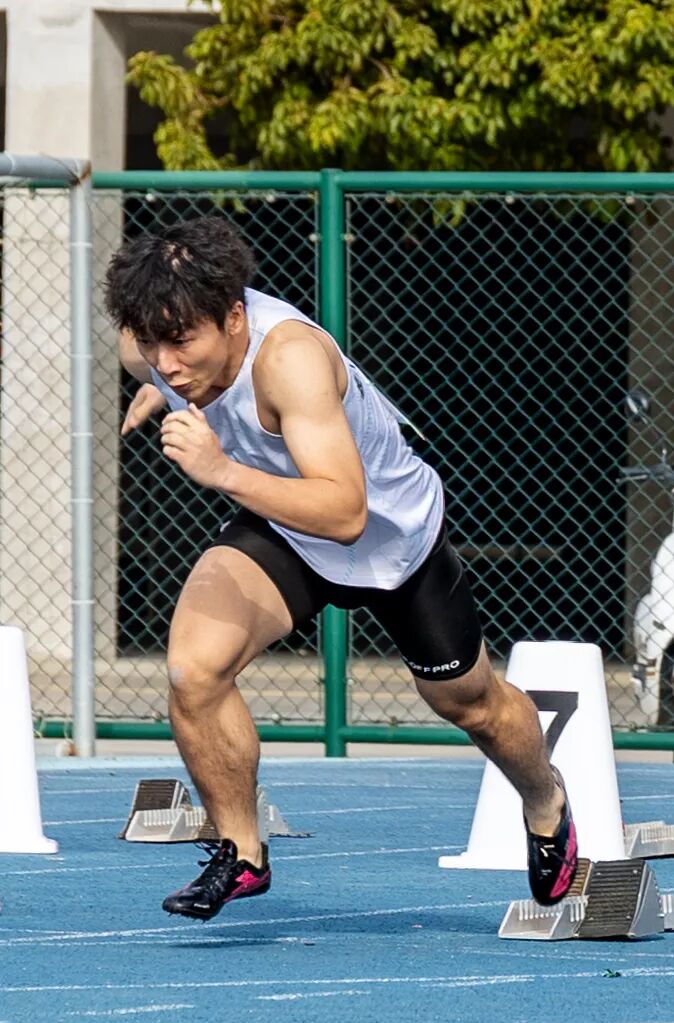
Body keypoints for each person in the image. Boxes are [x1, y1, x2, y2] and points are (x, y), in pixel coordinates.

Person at [104, 216, 578, 922]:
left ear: (234, 317)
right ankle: (242, 852)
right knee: (193, 670)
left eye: (181, 344)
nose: (166, 360)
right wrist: (163, 389)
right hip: (284, 527)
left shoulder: (288, 359)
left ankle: (546, 801)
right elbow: (152, 360)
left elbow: (345, 512)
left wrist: (221, 470)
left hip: (386, 537)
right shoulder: (149, 346)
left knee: (469, 704)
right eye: (152, 344)